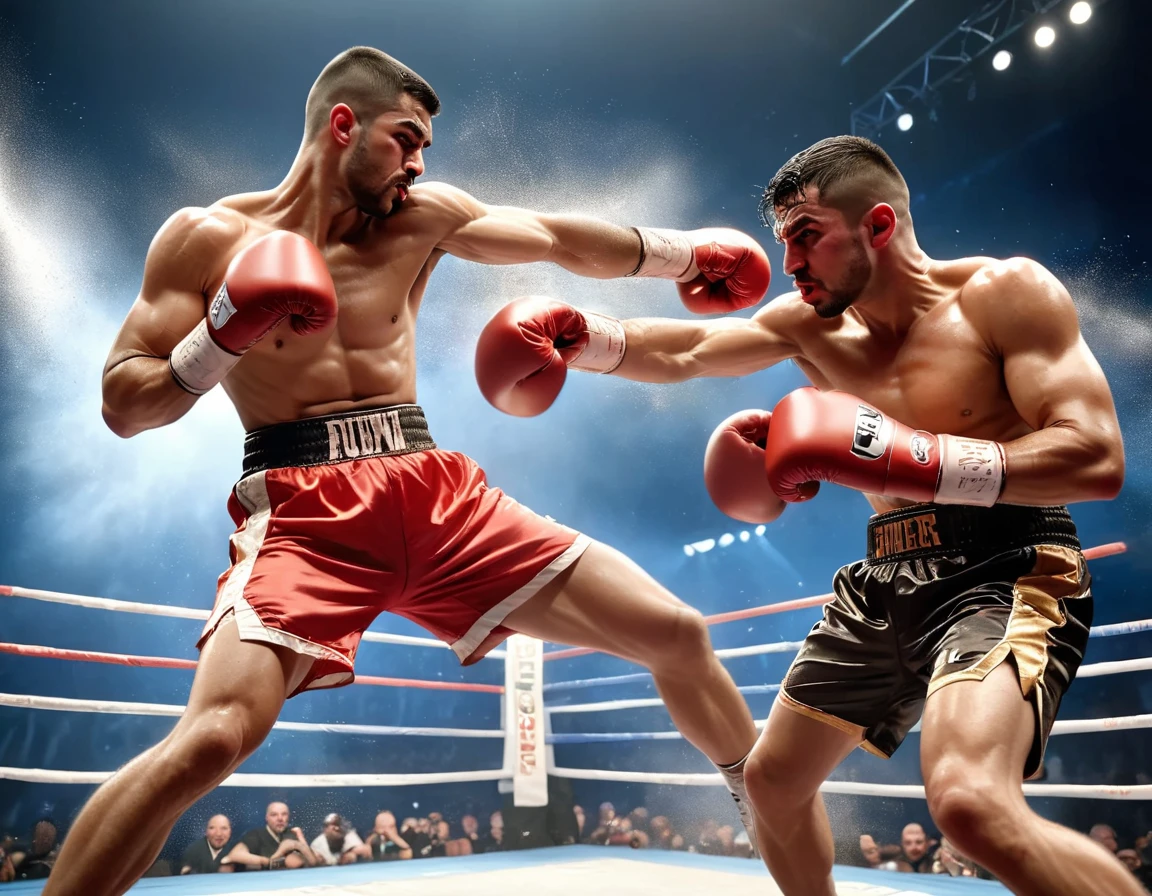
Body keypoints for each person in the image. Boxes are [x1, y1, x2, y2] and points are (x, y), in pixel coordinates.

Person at [45, 45, 768, 896]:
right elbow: (126, 405)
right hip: (306, 515)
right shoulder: (209, 237)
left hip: (434, 494)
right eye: (406, 138)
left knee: (676, 632)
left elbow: (555, 237)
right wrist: (223, 334)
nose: (419, 163)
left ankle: (766, 804)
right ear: (343, 125)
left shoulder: (420, 219)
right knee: (209, 741)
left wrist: (686, 257)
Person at [476, 135, 1133, 896]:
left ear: (878, 227)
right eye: (784, 241)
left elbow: (1096, 458)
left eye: (806, 238)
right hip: (886, 575)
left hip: (1007, 569)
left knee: (969, 804)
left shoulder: (1003, 293)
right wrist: (583, 339)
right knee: (769, 787)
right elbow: (689, 349)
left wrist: (912, 458)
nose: (788, 264)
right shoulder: (808, 324)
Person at [221, 802, 317, 872]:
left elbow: (312, 862)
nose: (280, 818)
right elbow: (235, 855)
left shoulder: (291, 834)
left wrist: (300, 844)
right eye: (274, 815)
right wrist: (268, 861)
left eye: (284, 814)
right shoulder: (256, 834)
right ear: (267, 818)